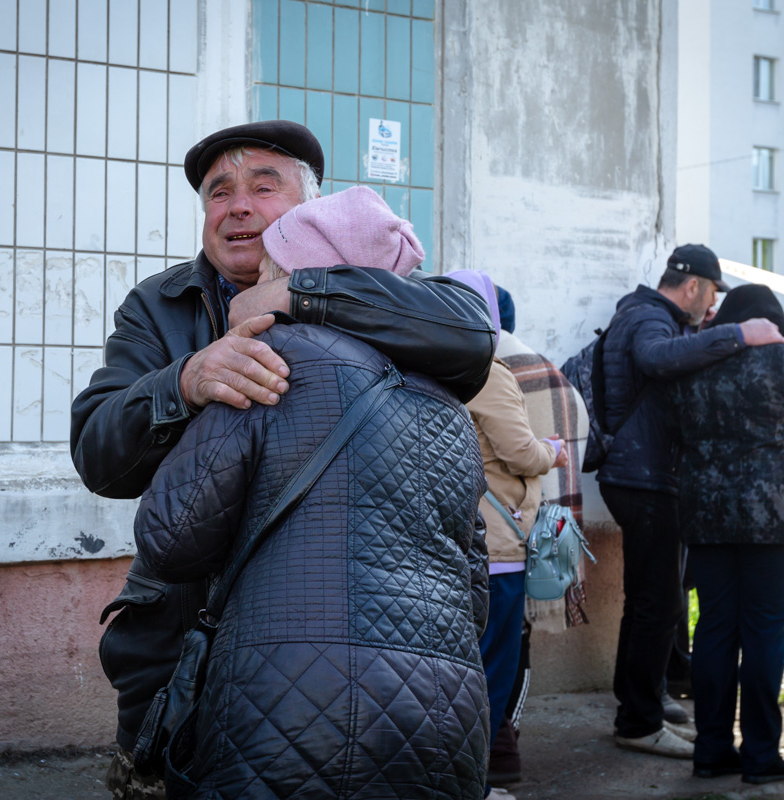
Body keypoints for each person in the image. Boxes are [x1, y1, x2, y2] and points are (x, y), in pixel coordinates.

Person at [69, 120, 496, 796]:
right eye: (218, 192)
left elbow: (472, 333)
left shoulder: (396, 289)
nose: (237, 205)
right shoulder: (159, 305)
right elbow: (98, 451)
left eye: (263, 186)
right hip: (180, 659)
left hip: (345, 662)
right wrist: (185, 382)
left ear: (311, 206)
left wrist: (299, 295)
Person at [596, 244, 784, 758]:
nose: (711, 308)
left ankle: (641, 704)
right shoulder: (648, 318)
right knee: (658, 604)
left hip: (641, 473)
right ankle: (638, 721)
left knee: (648, 602)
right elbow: (656, 360)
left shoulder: (646, 314)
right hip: (644, 476)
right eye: (711, 296)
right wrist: (738, 333)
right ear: (694, 286)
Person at [668, 285, 784, 785]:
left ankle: (711, 751)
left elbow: (675, 428)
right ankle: (762, 755)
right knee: (765, 633)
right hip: (775, 519)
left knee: (716, 629)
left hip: (706, 518)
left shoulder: (699, 364)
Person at [449, 270, 567, 797]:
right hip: (496, 545)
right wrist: (553, 451)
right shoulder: (485, 370)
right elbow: (520, 453)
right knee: (493, 668)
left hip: (448, 541)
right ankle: (472, 781)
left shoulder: (425, 363)